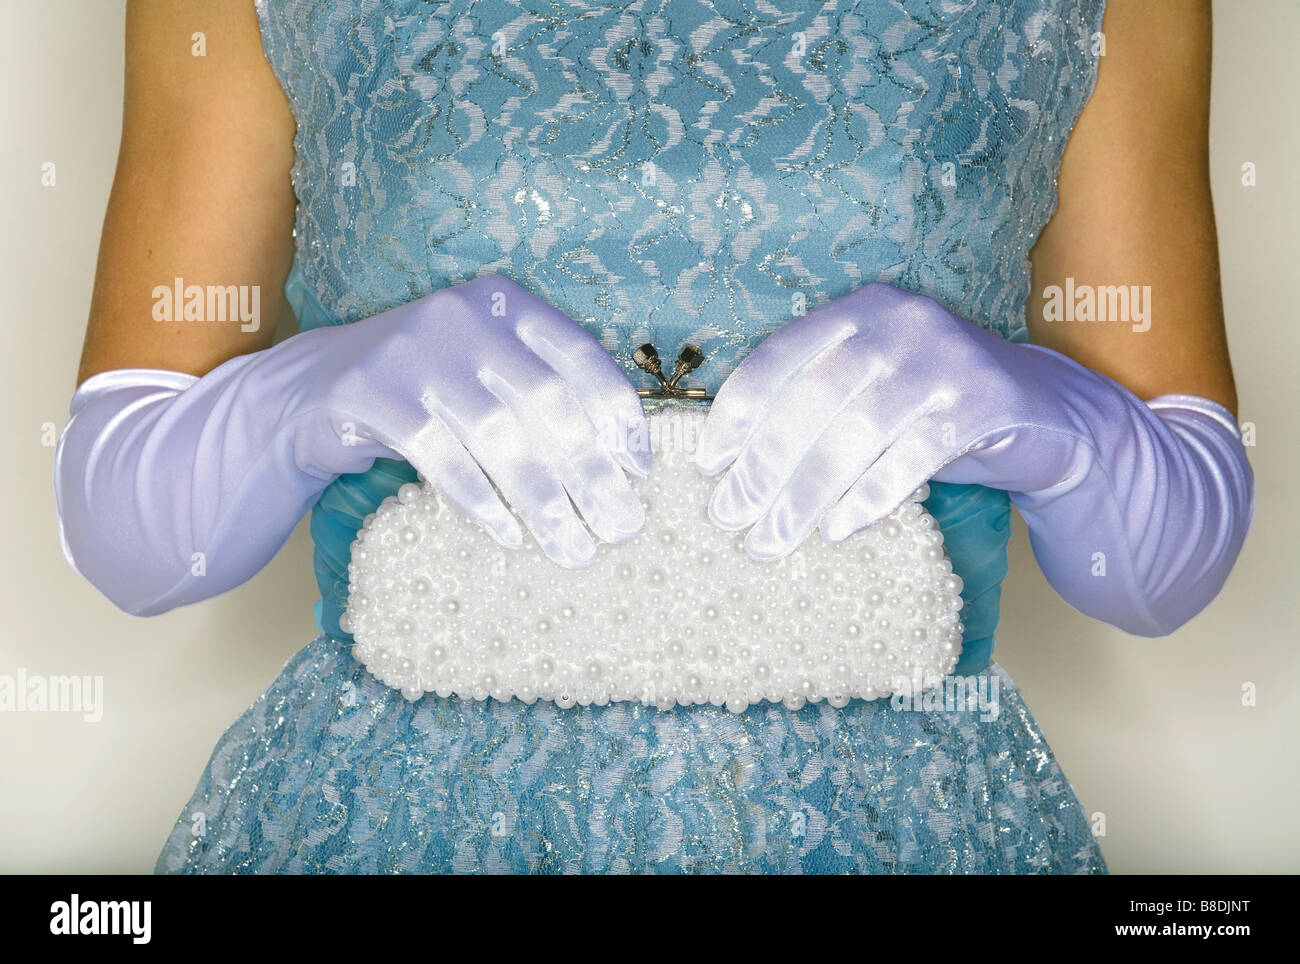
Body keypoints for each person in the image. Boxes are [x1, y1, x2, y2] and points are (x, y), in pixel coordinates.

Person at [53, 0, 1252, 873]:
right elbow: (133, 534)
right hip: (390, 815)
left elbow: (1156, 578)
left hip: (908, 817)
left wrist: (1051, 417)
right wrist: (318, 388)